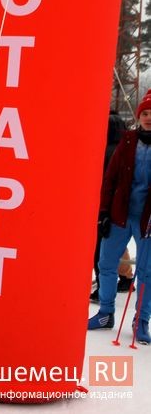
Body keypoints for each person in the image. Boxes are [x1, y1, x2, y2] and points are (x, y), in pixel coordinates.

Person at [88, 96, 151, 345]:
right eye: (145, 113)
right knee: (106, 264)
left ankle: (141, 320)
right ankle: (105, 313)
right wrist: (103, 212)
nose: (149, 118)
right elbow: (110, 179)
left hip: (147, 221)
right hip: (119, 216)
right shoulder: (127, 142)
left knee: (146, 272)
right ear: (138, 116)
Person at [91, 109, 129, 303]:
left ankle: (104, 290)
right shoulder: (127, 150)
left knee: (101, 250)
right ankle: (126, 277)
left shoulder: (103, 151)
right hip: (124, 209)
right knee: (119, 247)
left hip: (104, 207)